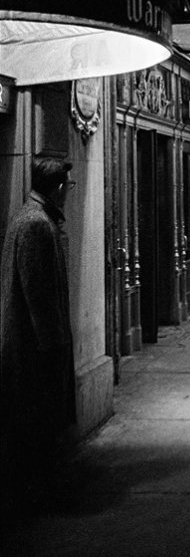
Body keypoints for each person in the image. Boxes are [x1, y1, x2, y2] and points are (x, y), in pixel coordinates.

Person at [0, 157, 77, 509]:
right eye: (68, 187)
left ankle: (36, 486)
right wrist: (53, 347)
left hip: (31, 345)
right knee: (37, 422)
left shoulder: (29, 217)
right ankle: (36, 492)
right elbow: (38, 295)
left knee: (33, 423)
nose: (68, 195)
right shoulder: (36, 224)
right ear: (59, 187)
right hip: (34, 350)